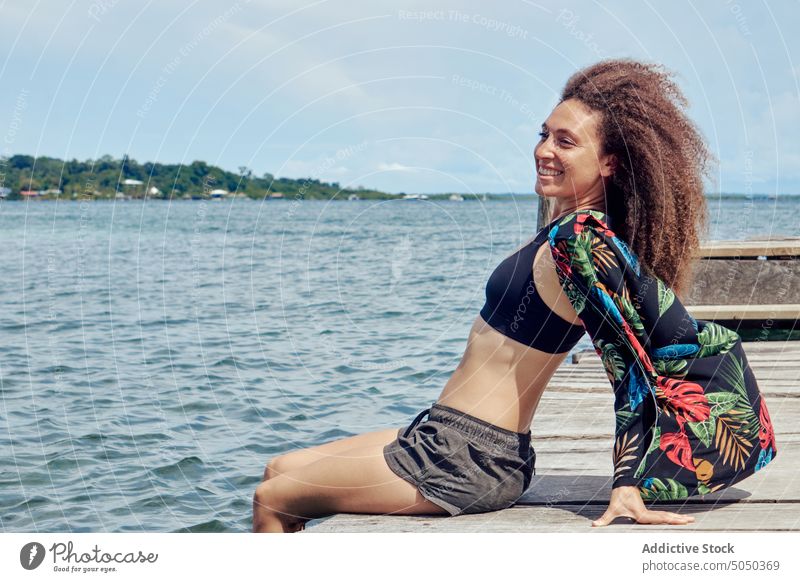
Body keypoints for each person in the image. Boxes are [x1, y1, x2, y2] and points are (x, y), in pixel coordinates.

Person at [252, 58, 777, 533]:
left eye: (565, 142)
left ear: (610, 163)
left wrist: (629, 482)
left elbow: (634, 367)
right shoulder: (563, 226)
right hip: (443, 432)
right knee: (281, 469)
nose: (544, 150)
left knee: (271, 499)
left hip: (468, 458)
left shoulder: (583, 243)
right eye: (544, 134)